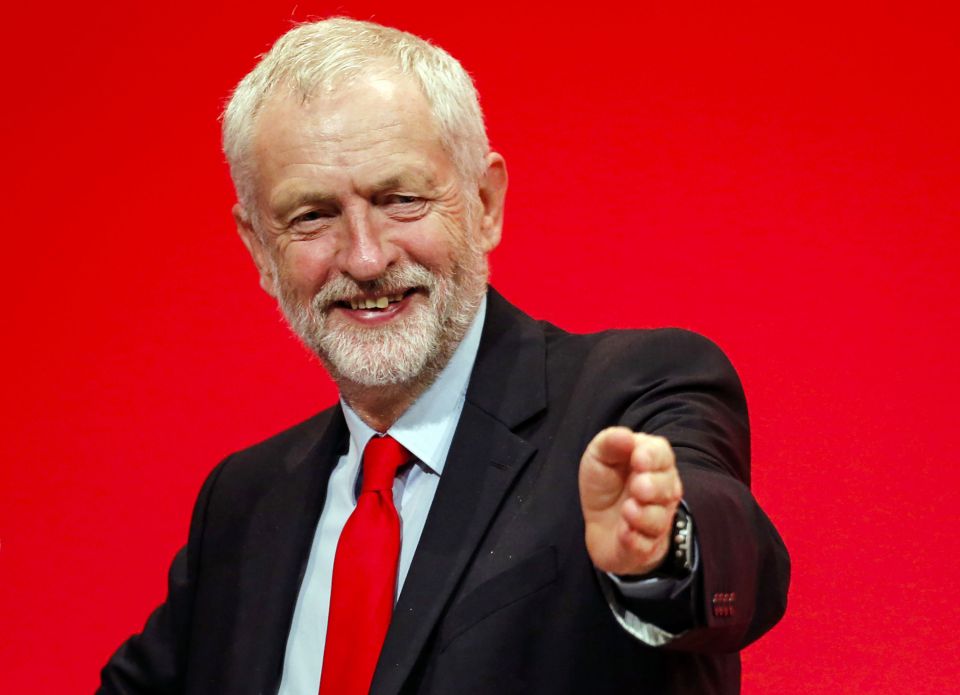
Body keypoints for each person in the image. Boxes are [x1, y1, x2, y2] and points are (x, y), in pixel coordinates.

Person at [98, 17, 789, 695]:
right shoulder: (243, 502)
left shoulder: (630, 398)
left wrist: (660, 552)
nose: (365, 257)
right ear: (258, 247)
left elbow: (738, 566)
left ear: (485, 203)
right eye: (312, 215)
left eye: (400, 199)